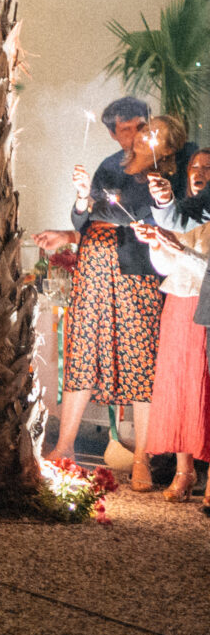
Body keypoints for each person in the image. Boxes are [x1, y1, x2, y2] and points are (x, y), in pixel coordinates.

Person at [27, 101, 180, 487]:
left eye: (142, 126)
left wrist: (91, 207)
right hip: (94, 264)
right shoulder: (110, 165)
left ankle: (142, 458)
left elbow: (123, 214)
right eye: (126, 129)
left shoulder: (160, 170)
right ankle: (64, 447)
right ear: (113, 133)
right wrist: (82, 200)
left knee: (139, 356)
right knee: (82, 349)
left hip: (135, 270)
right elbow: (84, 217)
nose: (137, 135)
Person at [136, 147, 210, 500]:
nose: (200, 172)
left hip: (205, 305)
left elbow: (205, 271)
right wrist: (157, 245)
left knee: (204, 389)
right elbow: (167, 268)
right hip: (177, 305)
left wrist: (178, 250)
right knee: (179, 386)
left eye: (208, 168)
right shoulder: (181, 212)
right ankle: (184, 472)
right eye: (195, 166)